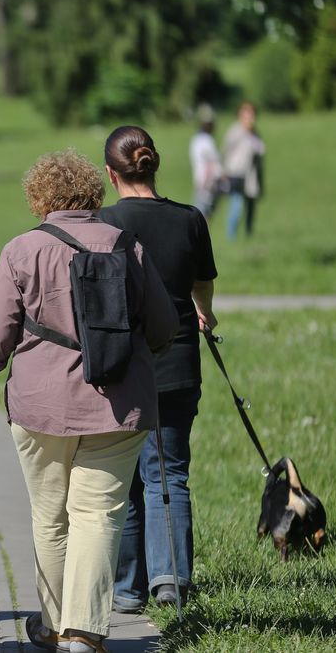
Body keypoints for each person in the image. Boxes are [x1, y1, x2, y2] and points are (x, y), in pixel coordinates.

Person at [0, 150, 177, 653]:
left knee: (50, 516)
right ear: (94, 192)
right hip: (118, 404)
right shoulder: (128, 246)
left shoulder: (22, 250)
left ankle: (55, 624)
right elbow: (165, 328)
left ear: (39, 197)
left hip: (40, 407)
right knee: (99, 515)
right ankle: (84, 632)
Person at [97, 126, 218, 614]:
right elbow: (202, 288)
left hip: (121, 365)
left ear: (111, 173)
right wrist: (205, 311)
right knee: (170, 471)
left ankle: (128, 588)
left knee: (126, 479)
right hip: (178, 360)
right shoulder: (190, 219)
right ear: (154, 164)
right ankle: (172, 579)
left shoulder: (103, 223)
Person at [222, 101, 265, 240]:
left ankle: (248, 235)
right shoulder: (235, 131)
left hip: (252, 175)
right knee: (237, 206)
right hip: (237, 174)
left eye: (252, 114)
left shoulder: (255, 134)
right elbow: (225, 151)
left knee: (251, 207)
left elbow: (260, 153)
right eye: (247, 114)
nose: (250, 117)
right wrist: (225, 169)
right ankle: (231, 236)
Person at [188, 104, 222, 220]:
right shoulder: (207, 141)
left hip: (199, 179)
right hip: (207, 181)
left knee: (201, 210)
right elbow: (211, 163)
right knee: (203, 213)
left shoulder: (195, 140)